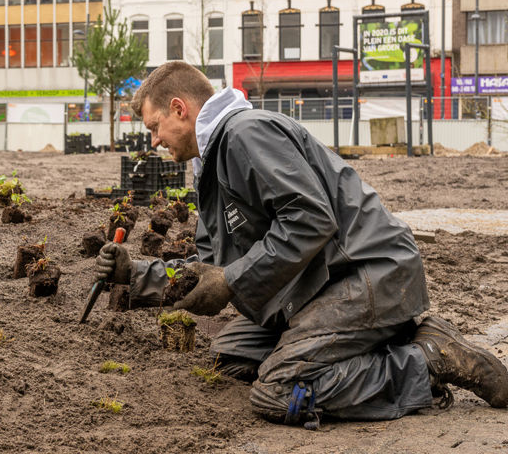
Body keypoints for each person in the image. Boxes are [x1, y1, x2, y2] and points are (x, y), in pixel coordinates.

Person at [95, 61, 508, 427]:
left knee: (277, 390)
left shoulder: (245, 135)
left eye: (153, 128)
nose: (153, 141)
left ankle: (427, 359)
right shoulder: (211, 162)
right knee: (231, 357)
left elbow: (310, 219)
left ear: (179, 109)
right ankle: (375, 344)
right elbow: (210, 267)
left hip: (368, 273)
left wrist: (232, 280)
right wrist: (135, 275)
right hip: (320, 284)